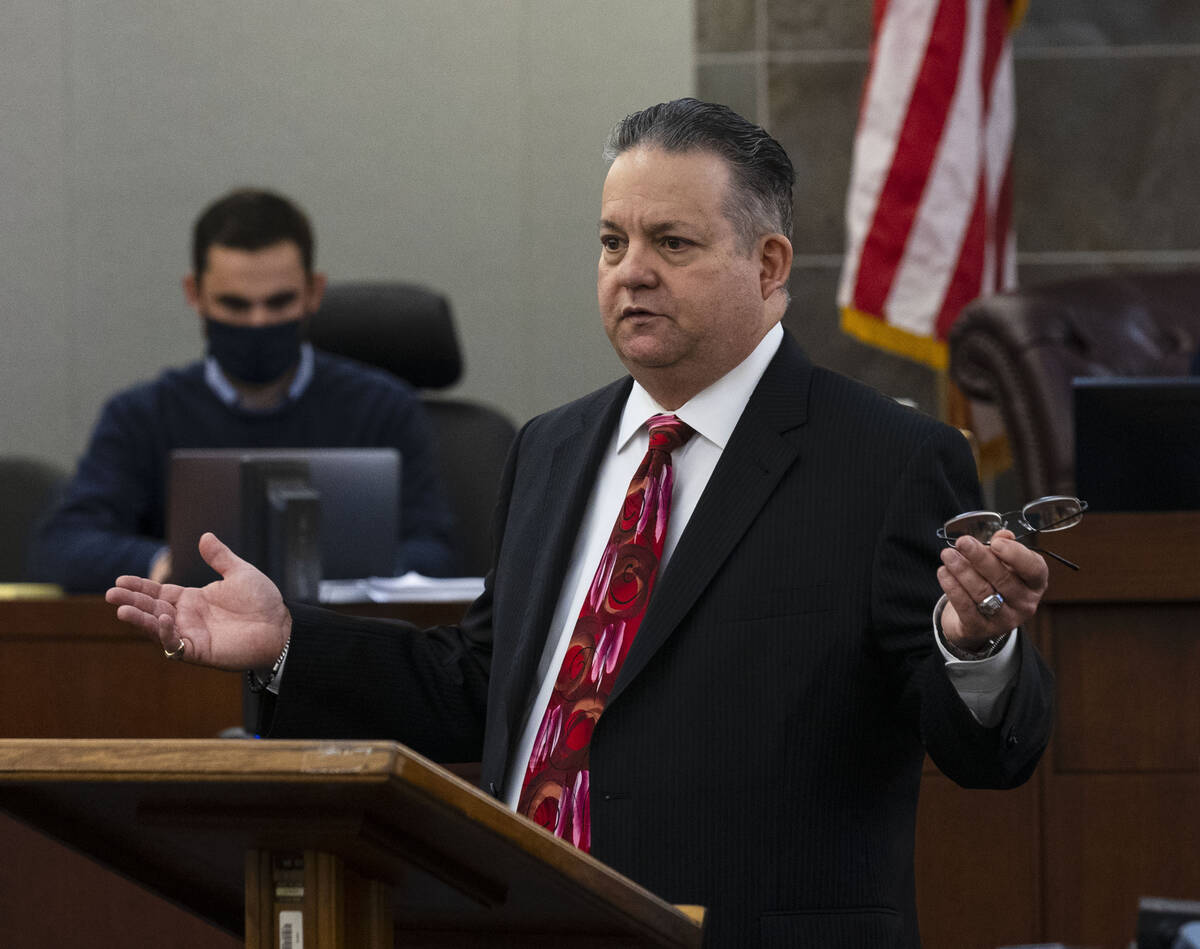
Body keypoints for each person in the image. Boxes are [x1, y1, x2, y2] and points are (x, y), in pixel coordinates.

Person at [107, 101, 1053, 948]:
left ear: (767, 267)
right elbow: (484, 685)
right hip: (530, 922)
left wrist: (972, 648)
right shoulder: (554, 447)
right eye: (611, 243)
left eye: (671, 244)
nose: (631, 273)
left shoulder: (886, 459)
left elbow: (983, 750)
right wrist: (287, 645)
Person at [30, 188, 458, 591]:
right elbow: (64, 545)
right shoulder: (143, 415)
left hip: (345, 646)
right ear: (195, 294)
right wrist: (168, 563)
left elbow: (439, 552)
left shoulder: (384, 408)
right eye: (235, 304)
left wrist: (355, 576)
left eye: (279, 302)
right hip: (190, 654)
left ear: (313, 293)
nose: (258, 322)